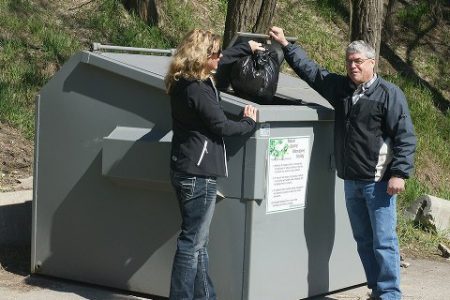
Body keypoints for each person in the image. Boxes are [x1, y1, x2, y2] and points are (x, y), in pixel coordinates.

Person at [269, 26, 416, 300]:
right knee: (363, 241)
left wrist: (399, 173)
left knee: (384, 242)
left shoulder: (388, 94)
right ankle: (377, 289)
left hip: (380, 183)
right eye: (349, 61)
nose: (353, 66)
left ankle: (390, 295)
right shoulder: (342, 89)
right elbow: (312, 72)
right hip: (351, 181)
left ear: (372, 63)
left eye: (358, 61)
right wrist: (287, 45)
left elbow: (405, 137)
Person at [164, 29, 262, 300]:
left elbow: (225, 57)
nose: (219, 58)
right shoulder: (198, 89)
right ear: (201, 57)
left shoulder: (182, 80)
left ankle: (205, 296)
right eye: (215, 54)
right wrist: (248, 123)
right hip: (198, 172)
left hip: (184, 167)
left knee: (198, 242)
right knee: (191, 243)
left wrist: (246, 48)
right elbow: (220, 124)